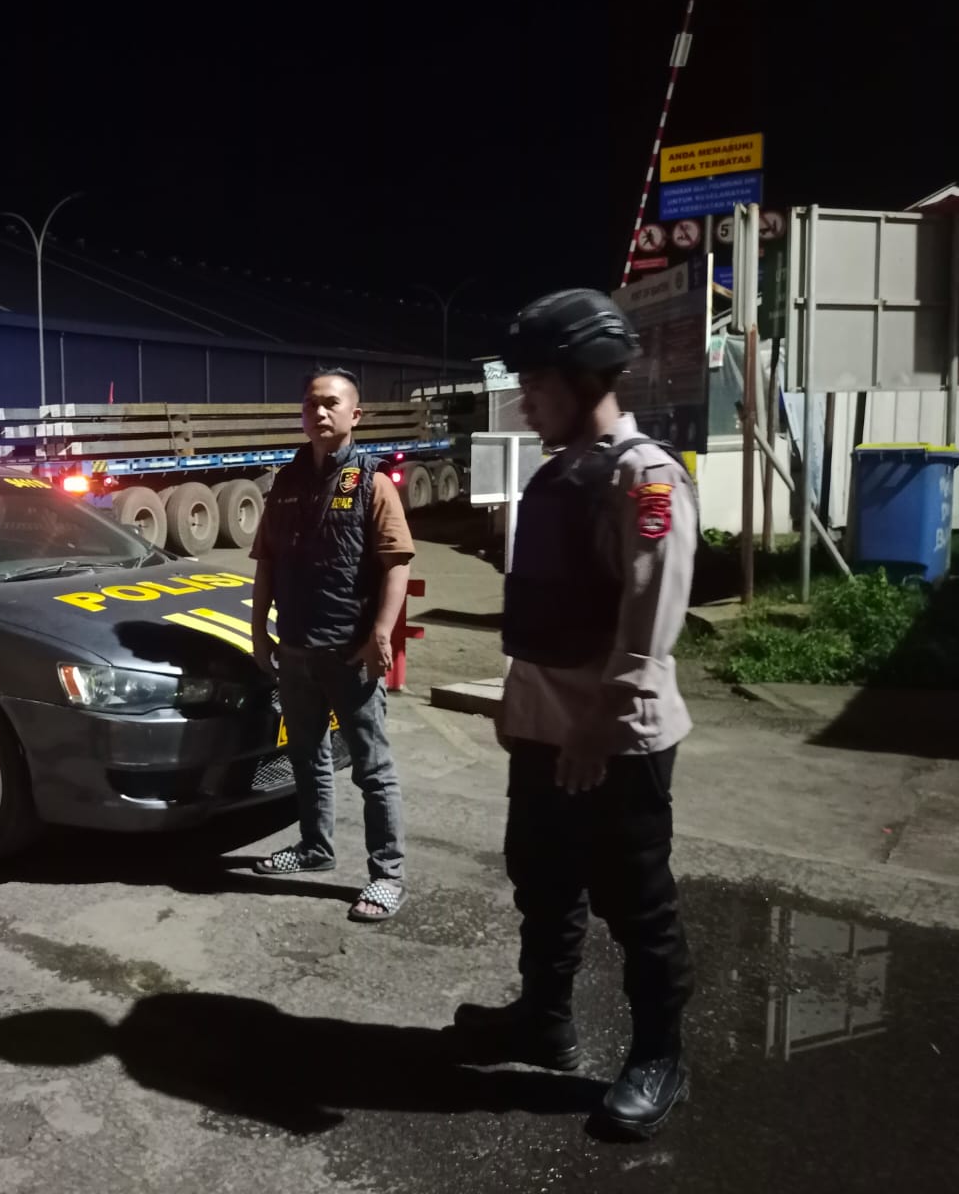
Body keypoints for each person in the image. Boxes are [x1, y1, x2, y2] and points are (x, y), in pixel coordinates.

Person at [450, 288, 698, 1138]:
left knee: (636, 907)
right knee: (542, 882)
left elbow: (648, 619)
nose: (525, 402)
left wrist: (597, 723)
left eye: (536, 385)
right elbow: (546, 614)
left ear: (586, 379)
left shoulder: (645, 476)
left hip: (614, 741)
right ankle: (543, 1021)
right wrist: (518, 708)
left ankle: (658, 1058)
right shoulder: (559, 470)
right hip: (544, 731)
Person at [248, 367, 416, 922]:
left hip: (350, 653)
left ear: (354, 415)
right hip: (295, 649)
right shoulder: (285, 482)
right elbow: (266, 563)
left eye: (331, 404)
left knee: (372, 768)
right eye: (310, 404)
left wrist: (380, 634)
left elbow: (396, 563)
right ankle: (315, 848)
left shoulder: (372, 482)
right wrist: (259, 632)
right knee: (307, 758)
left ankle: (387, 874)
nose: (319, 412)